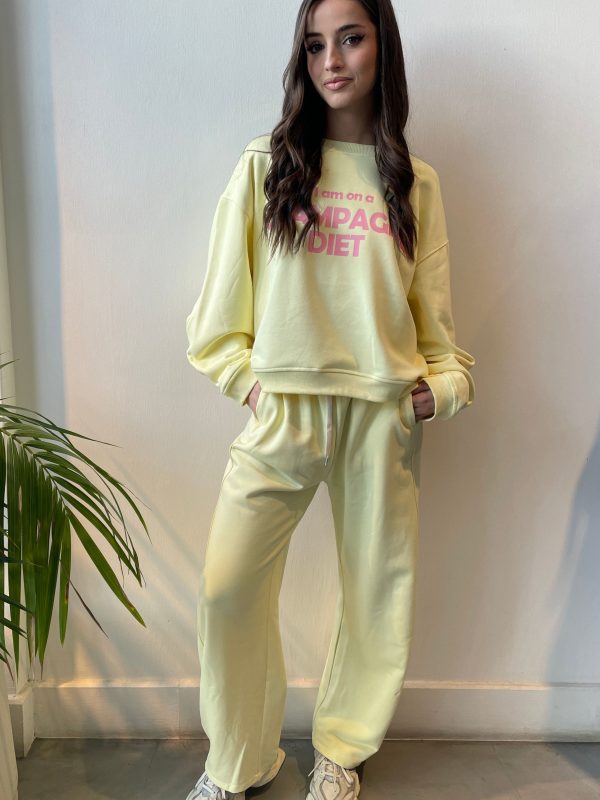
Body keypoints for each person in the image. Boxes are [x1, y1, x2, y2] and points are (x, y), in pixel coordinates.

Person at [184, 0, 475, 797]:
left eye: (350, 38)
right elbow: (217, 320)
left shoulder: (415, 183)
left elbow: (443, 343)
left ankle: (341, 752)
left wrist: (438, 393)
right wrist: (251, 386)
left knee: (376, 593)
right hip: (284, 408)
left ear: (383, 47)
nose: (332, 61)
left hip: (382, 413)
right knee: (228, 587)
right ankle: (238, 762)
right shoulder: (265, 166)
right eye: (315, 45)